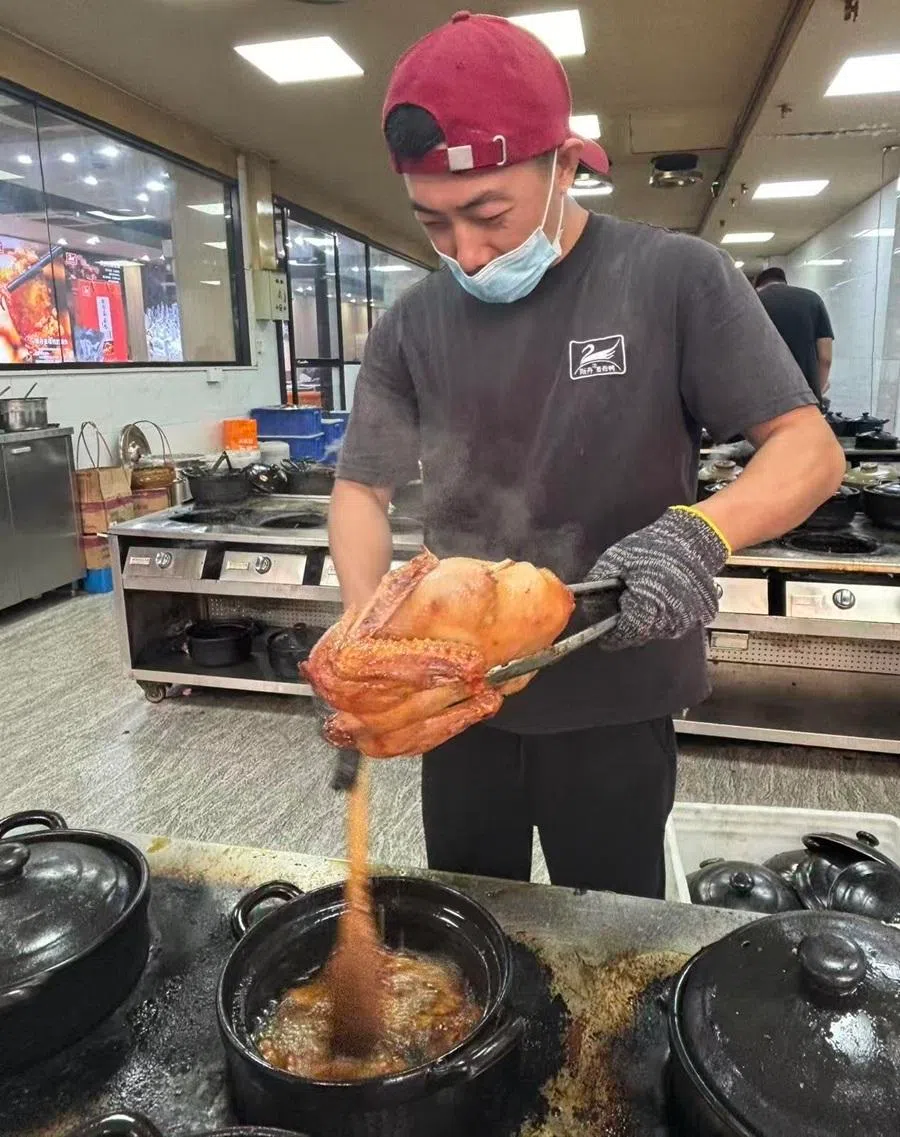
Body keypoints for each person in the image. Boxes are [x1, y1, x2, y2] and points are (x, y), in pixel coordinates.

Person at [327, 12, 845, 898]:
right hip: (460, 698)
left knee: (612, 935)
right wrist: (366, 634)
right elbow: (360, 489)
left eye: (489, 213)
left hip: (616, 691)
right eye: (435, 225)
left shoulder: (673, 278)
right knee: (468, 924)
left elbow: (809, 450)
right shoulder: (411, 324)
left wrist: (697, 533)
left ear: (566, 164)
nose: (468, 251)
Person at [754, 266, 834, 403]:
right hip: (804, 399)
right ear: (785, 282)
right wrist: (816, 393)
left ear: (758, 286)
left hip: (763, 399)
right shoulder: (813, 299)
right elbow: (825, 358)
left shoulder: (753, 301)